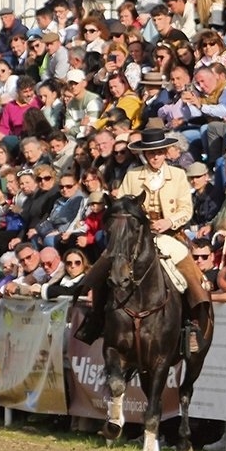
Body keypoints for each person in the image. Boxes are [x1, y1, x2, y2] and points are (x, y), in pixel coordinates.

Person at [71, 121, 211, 355]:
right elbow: (123, 205)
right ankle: (96, 320)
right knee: (104, 267)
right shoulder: (133, 175)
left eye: (158, 152)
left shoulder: (177, 175)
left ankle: (192, 325)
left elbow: (186, 209)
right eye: (151, 153)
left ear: (165, 153)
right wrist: (138, 222)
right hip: (136, 234)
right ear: (145, 154)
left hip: (168, 235)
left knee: (189, 273)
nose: (155, 157)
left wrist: (170, 222)